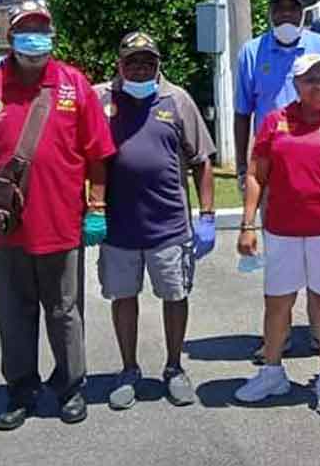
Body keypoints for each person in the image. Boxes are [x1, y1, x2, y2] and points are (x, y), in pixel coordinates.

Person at [0, 1, 116, 430]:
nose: (34, 37)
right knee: (13, 312)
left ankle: (70, 386)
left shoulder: (73, 84)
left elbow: (98, 154)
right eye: (26, 30)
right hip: (7, 227)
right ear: (10, 38)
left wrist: (96, 208)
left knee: (65, 311)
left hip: (62, 224)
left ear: (52, 35)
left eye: (41, 29)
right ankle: (20, 389)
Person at [234, 54, 320, 414]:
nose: (318, 86)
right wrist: (248, 223)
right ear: (295, 85)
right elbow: (256, 174)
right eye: (310, 79)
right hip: (281, 228)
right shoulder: (275, 122)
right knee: (277, 302)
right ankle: (272, 372)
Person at [94, 32, 217, 410]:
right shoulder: (101, 99)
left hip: (169, 225)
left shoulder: (176, 99)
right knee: (123, 297)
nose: (140, 68)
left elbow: (202, 161)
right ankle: (128, 369)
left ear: (158, 64)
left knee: (175, 297)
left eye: (147, 62)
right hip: (118, 227)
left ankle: (174, 368)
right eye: (132, 62)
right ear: (120, 64)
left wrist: (208, 215)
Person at [234, 0, 320, 362]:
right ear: (270, 9)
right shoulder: (251, 52)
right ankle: (278, 339)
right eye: (280, 7)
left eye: (294, 7)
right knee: (282, 262)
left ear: (303, 11)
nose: (287, 14)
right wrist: (243, 165)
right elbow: (242, 112)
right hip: (275, 167)